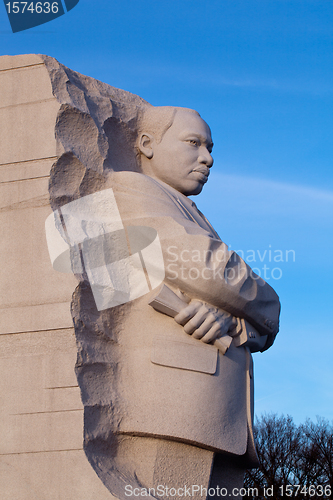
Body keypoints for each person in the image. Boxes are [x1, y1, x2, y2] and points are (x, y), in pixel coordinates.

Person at [62, 105, 280, 500]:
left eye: (210, 147)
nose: (208, 158)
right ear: (146, 144)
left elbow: (228, 300)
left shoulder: (189, 210)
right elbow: (210, 267)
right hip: (172, 401)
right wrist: (267, 301)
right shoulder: (129, 187)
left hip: (216, 413)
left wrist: (233, 321)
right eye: (193, 143)